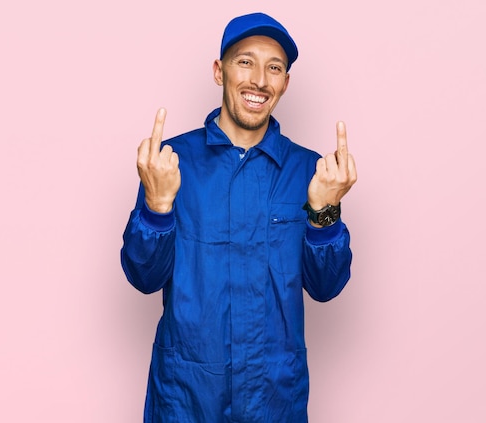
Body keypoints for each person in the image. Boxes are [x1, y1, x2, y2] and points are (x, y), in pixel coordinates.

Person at [121, 12, 357, 423]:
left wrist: (325, 213)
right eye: (245, 61)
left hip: (273, 397)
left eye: (275, 68)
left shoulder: (310, 172)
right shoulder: (171, 164)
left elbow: (326, 288)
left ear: (285, 83)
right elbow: (143, 278)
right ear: (219, 71)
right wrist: (157, 208)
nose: (260, 80)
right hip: (186, 397)